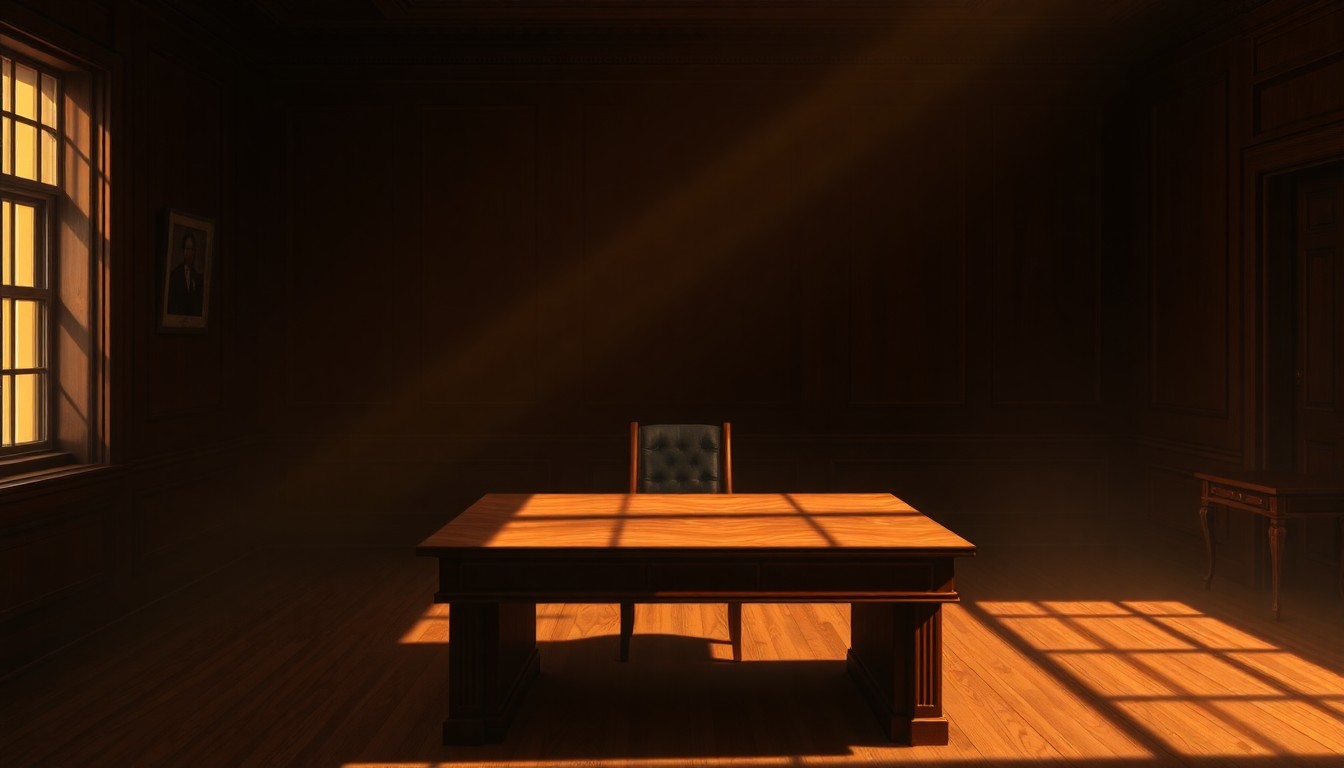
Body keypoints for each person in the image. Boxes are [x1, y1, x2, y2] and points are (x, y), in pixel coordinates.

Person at [166, 232, 205, 316]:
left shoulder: (197, 277)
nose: (189, 253)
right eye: (187, 249)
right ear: (183, 250)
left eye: (192, 249)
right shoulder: (175, 275)